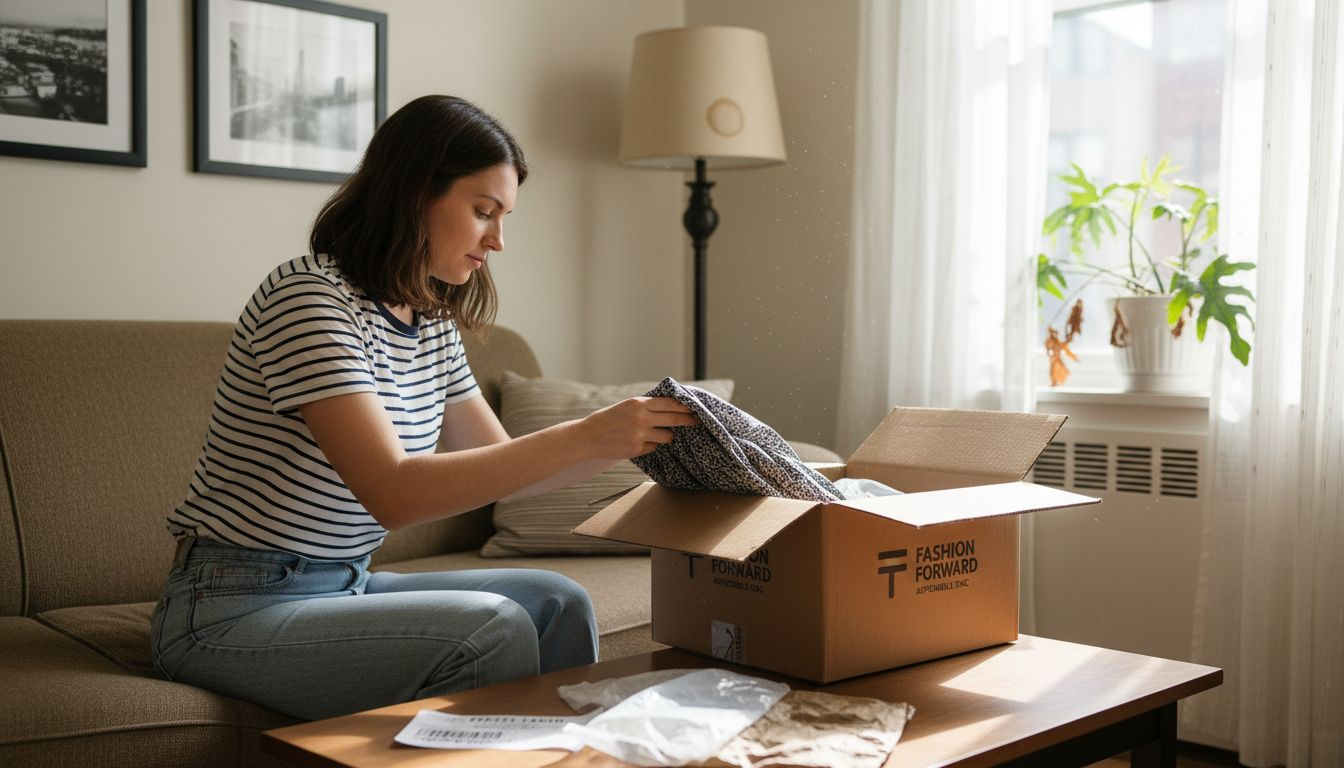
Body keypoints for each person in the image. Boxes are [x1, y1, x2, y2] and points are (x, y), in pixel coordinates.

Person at [149, 95, 696, 721]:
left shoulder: (429, 320)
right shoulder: (307, 299)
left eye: (504, 217)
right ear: (414, 195)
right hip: (228, 605)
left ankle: (570, 754)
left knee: (557, 601)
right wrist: (584, 434)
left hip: (345, 582)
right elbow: (394, 493)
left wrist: (635, 440)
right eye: (483, 212)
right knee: (488, 627)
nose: (498, 241)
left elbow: (505, 470)